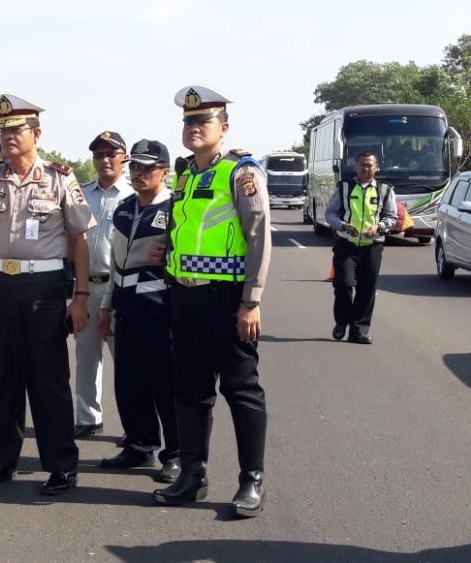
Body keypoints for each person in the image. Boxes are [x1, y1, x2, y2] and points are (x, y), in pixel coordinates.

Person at [0, 94, 94, 495]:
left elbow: (79, 241)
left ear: (36, 134)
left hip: (43, 289)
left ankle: (61, 465)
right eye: (2, 130)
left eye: (15, 130)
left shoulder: (61, 178)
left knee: (48, 380)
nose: (7, 136)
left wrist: (80, 296)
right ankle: (0, 460)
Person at [150, 86, 271, 518]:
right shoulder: (185, 175)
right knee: (191, 391)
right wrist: (166, 248)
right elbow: (190, 228)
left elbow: (259, 240)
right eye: (188, 121)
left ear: (224, 127)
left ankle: (250, 480)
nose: (194, 128)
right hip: (184, 297)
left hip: (227, 299)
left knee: (241, 391)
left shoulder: (242, 173)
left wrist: (251, 301)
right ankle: (193, 475)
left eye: (203, 121)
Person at [97, 140, 180, 484]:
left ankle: (175, 454)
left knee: (166, 385)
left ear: (164, 171)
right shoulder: (125, 208)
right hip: (127, 307)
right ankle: (139, 444)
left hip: (162, 308)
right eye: (134, 167)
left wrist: (172, 251)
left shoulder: (177, 209)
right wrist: (106, 305)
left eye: (148, 168)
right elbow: (117, 261)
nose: (139, 174)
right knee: (129, 382)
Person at [72, 131, 129, 439]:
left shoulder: (134, 196)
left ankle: (136, 426)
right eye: (98, 155)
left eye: (111, 153)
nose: (104, 160)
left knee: (129, 362)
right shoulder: (81, 194)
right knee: (86, 355)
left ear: (124, 157)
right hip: (86, 286)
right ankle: (87, 417)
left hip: (120, 290)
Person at [325, 151, 397, 345]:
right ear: (356, 167)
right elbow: (330, 213)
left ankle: (359, 331)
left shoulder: (385, 190)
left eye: (369, 165)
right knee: (344, 284)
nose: (365, 169)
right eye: (362, 165)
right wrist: (342, 225)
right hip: (346, 245)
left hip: (372, 247)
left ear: (376, 168)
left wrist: (379, 227)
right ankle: (342, 322)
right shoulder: (344, 188)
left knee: (367, 290)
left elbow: (392, 217)